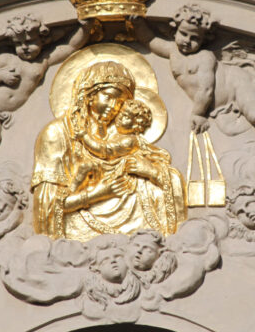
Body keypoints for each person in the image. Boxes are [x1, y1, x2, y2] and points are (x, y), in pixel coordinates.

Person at [31, 61, 187, 241]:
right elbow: (47, 204)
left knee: (156, 186)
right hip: (83, 217)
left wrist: (150, 171)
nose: (114, 106)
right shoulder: (57, 133)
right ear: (89, 95)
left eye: (121, 102)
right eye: (109, 97)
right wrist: (99, 193)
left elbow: (162, 168)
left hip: (132, 220)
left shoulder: (122, 135)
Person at [133, 4, 255, 150]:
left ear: (203, 41)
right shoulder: (172, 51)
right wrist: (137, 23)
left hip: (236, 84)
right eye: (184, 34)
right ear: (174, 32)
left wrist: (198, 114)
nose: (187, 41)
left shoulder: (204, 57)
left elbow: (206, 89)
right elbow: (151, 41)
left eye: (195, 38)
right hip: (221, 102)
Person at [0, 15, 92, 186]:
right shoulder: (7, 59)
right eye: (18, 44)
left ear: (43, 40)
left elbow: (70, 46)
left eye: (30, 42)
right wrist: (1, 76)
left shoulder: (43, 62)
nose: (24, 48)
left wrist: (85, 27)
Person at [69, 99, 153, 193]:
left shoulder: (129, 141)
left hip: (111, 167)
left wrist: (85, 137)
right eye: (121, 113)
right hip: (105, 162)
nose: (120, 117)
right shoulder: (119, 133)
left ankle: (71, 191)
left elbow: (104, 150)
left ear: (136, 125)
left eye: (126, 117)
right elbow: (103, 140)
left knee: (85, 166)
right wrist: (101, 126)